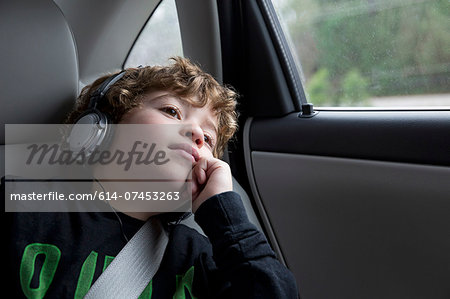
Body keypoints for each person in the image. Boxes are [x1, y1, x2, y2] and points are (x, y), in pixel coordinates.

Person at [5, 57, 298, 298]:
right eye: (171, 111)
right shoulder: (22, 206)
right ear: (100, 128)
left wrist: (225, 217)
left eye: (208, 138)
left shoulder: (201, 253)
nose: (197, 134)